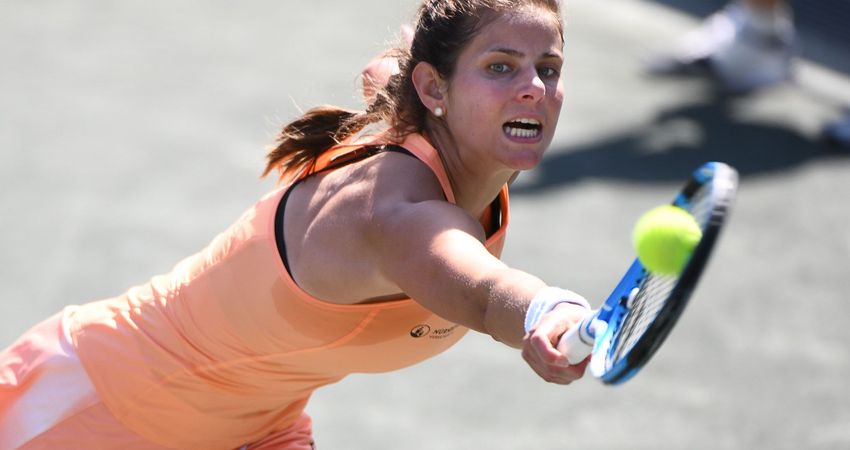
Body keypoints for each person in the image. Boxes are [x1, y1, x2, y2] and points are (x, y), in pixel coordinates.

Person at [0, 0, 593, 448]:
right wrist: (548, 311)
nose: (532, 90)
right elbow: (490, 295)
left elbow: (387, 68)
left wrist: (433, 55)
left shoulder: (432, 116)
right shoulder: (396, 215)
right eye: (500, 66)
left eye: (548, 67)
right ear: (434, 87)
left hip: (259, 423)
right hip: (103, 410)